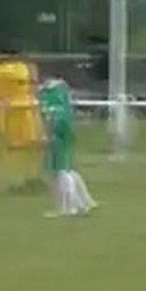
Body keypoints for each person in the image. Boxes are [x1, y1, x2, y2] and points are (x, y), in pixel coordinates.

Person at [38, 75, 97, 218]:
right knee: (66, 168)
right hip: (64, 131)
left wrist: (48, 133)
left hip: (58, 132)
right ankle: (82, 203)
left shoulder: (49, 94)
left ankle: (68, 207)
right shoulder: (62, 92)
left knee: (60, 170)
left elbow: (52, 115)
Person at [0, 47, 44, 192]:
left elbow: (33, 87)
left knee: (33, 145)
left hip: (28, 108)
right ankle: (18, 180)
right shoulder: (4, 70)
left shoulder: (26, 68)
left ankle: (31, 177)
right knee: (16, 147)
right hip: (14, 110)